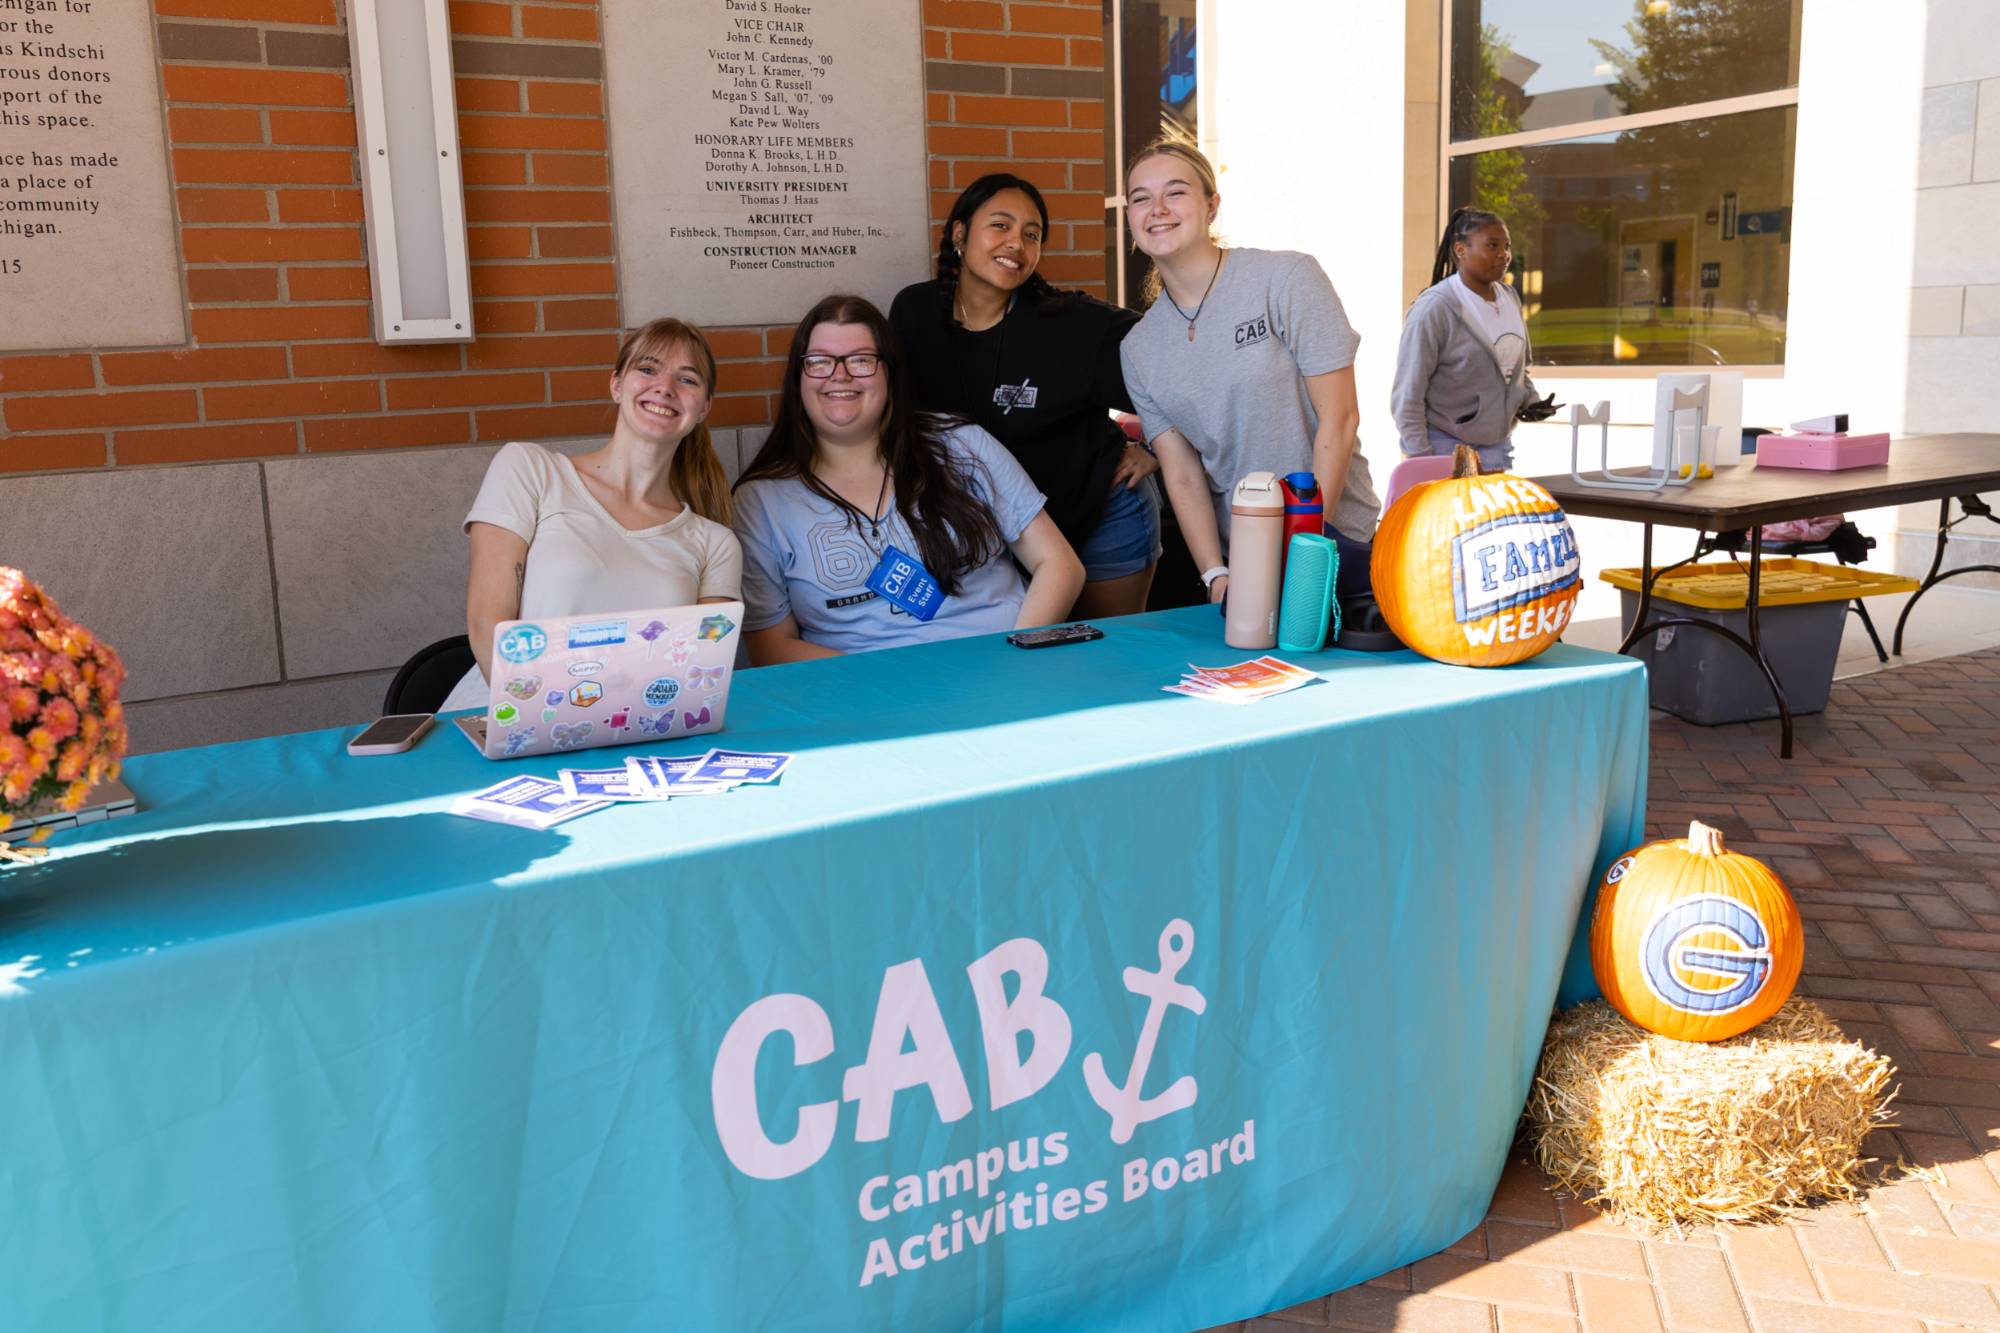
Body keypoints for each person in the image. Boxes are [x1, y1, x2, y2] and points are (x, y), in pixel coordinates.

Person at [732, 294, 1084, 663]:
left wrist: (1017, 659)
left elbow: (1058, 564)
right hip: (868, 696)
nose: (840, 374)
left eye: (861, 360)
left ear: (890, 373)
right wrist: (883, 691)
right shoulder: (761, 500)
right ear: (798, 379)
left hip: (1004, 667)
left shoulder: (961, 444)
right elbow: (770, 645)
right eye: (819, 361)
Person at [1117, 138, 1380, 605]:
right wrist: (1216, 575)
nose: (1157, 208)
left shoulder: (1286, 280)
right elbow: (1181, 473)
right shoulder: (1140, 349)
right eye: (1141, 198)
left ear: (1211, 205)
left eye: (1175, 192)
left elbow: (1340, 420)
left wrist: (1307, 552)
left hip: (1338, 544)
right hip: (1246, 566)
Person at [890, 173, 1159, 618]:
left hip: (1100, 514)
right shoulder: (915, 313)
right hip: (991, 534)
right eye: (1000, 225)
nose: (1016, 242)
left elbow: (1188, 366)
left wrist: (1159, 449)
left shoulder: (1072, 324)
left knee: (1108, 657)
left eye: (1031, 235)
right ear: (959, 232)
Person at [444, 318, 742, 709]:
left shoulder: (716, 544)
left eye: (687, 379)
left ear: (703, 408)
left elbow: (700, 674)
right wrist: (538, 722)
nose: (664, 388)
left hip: (637, 731)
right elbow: (489, 624)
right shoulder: (530, 469)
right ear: (616, 384)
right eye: (647, 369)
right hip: (502, 719)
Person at [1390, 207, 1552, 474]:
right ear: (1460, 250)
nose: (1504, 254)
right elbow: (1408, 395)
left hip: (1496, 451)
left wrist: (1530, 401)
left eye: (1507, 246)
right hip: (1445, 453)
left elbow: (1514, 369)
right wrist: (1422, 461)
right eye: (1492, 245)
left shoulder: (1508, 297)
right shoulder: (1436, 308)